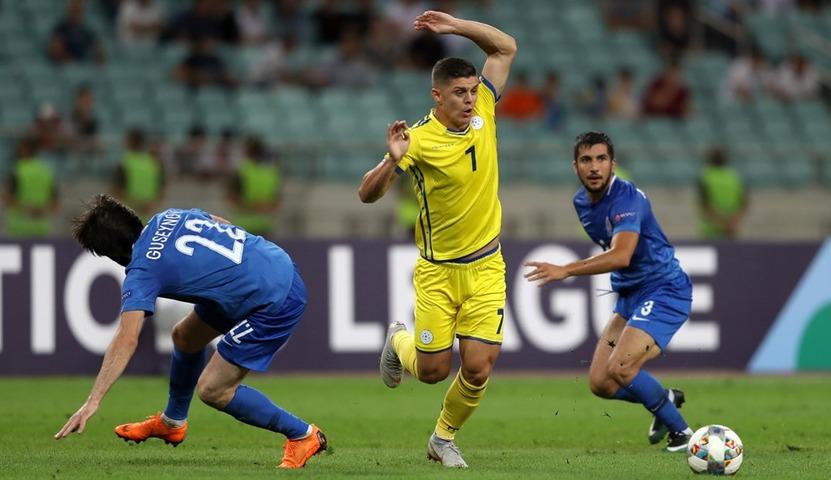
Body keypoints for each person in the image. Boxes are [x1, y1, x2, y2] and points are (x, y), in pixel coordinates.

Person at [53, 195, 327, 469]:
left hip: (276, 299)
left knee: (213, 390)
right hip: (273, 261)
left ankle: (303, 434)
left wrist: (93, 401)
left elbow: (127, 337)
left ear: (112, 255)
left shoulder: (142, 270)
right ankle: (173, 422)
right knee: (185, 337)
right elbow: (221, 222)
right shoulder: (168, 216)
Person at [358, 10, 516, 469]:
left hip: (487, 265)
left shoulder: (485, 107)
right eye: (459, 94)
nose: (470, 100)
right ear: (437, 96)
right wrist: (390, 161)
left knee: (479, 365)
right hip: (438, 272)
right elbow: (366, 194)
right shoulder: (419, 140)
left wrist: (456, 26)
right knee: (431, 372)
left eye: (472, 91)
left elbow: (505, 46)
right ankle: (398, 340)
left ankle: (443, 438)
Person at [523, 131, 694, 452]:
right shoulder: (580, 202)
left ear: (613, 164)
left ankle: (685, 434)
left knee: (621, 368)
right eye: (586, 160)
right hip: (630, 295)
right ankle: (665, 398)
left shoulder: (628, 199)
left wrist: (567, 269)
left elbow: (621, 255)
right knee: (601, 382)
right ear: (575, 167)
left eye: (602, 159)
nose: (594, 167)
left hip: (664, 289)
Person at [3, 137, 58, 237]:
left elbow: (7, 198)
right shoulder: (46, 172)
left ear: (25, 150)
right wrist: (40, 211)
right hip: (41, 227)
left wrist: (25, 209)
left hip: (18, 228)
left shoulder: (17, 170)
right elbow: (55, 203)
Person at [697, 148, 747, 239]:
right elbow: (744, 203)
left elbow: (704, 205)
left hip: (711, 230)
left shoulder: (706, 177)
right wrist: (732, 223)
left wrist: (721, 223)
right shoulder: (734, 177)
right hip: (731, 229)